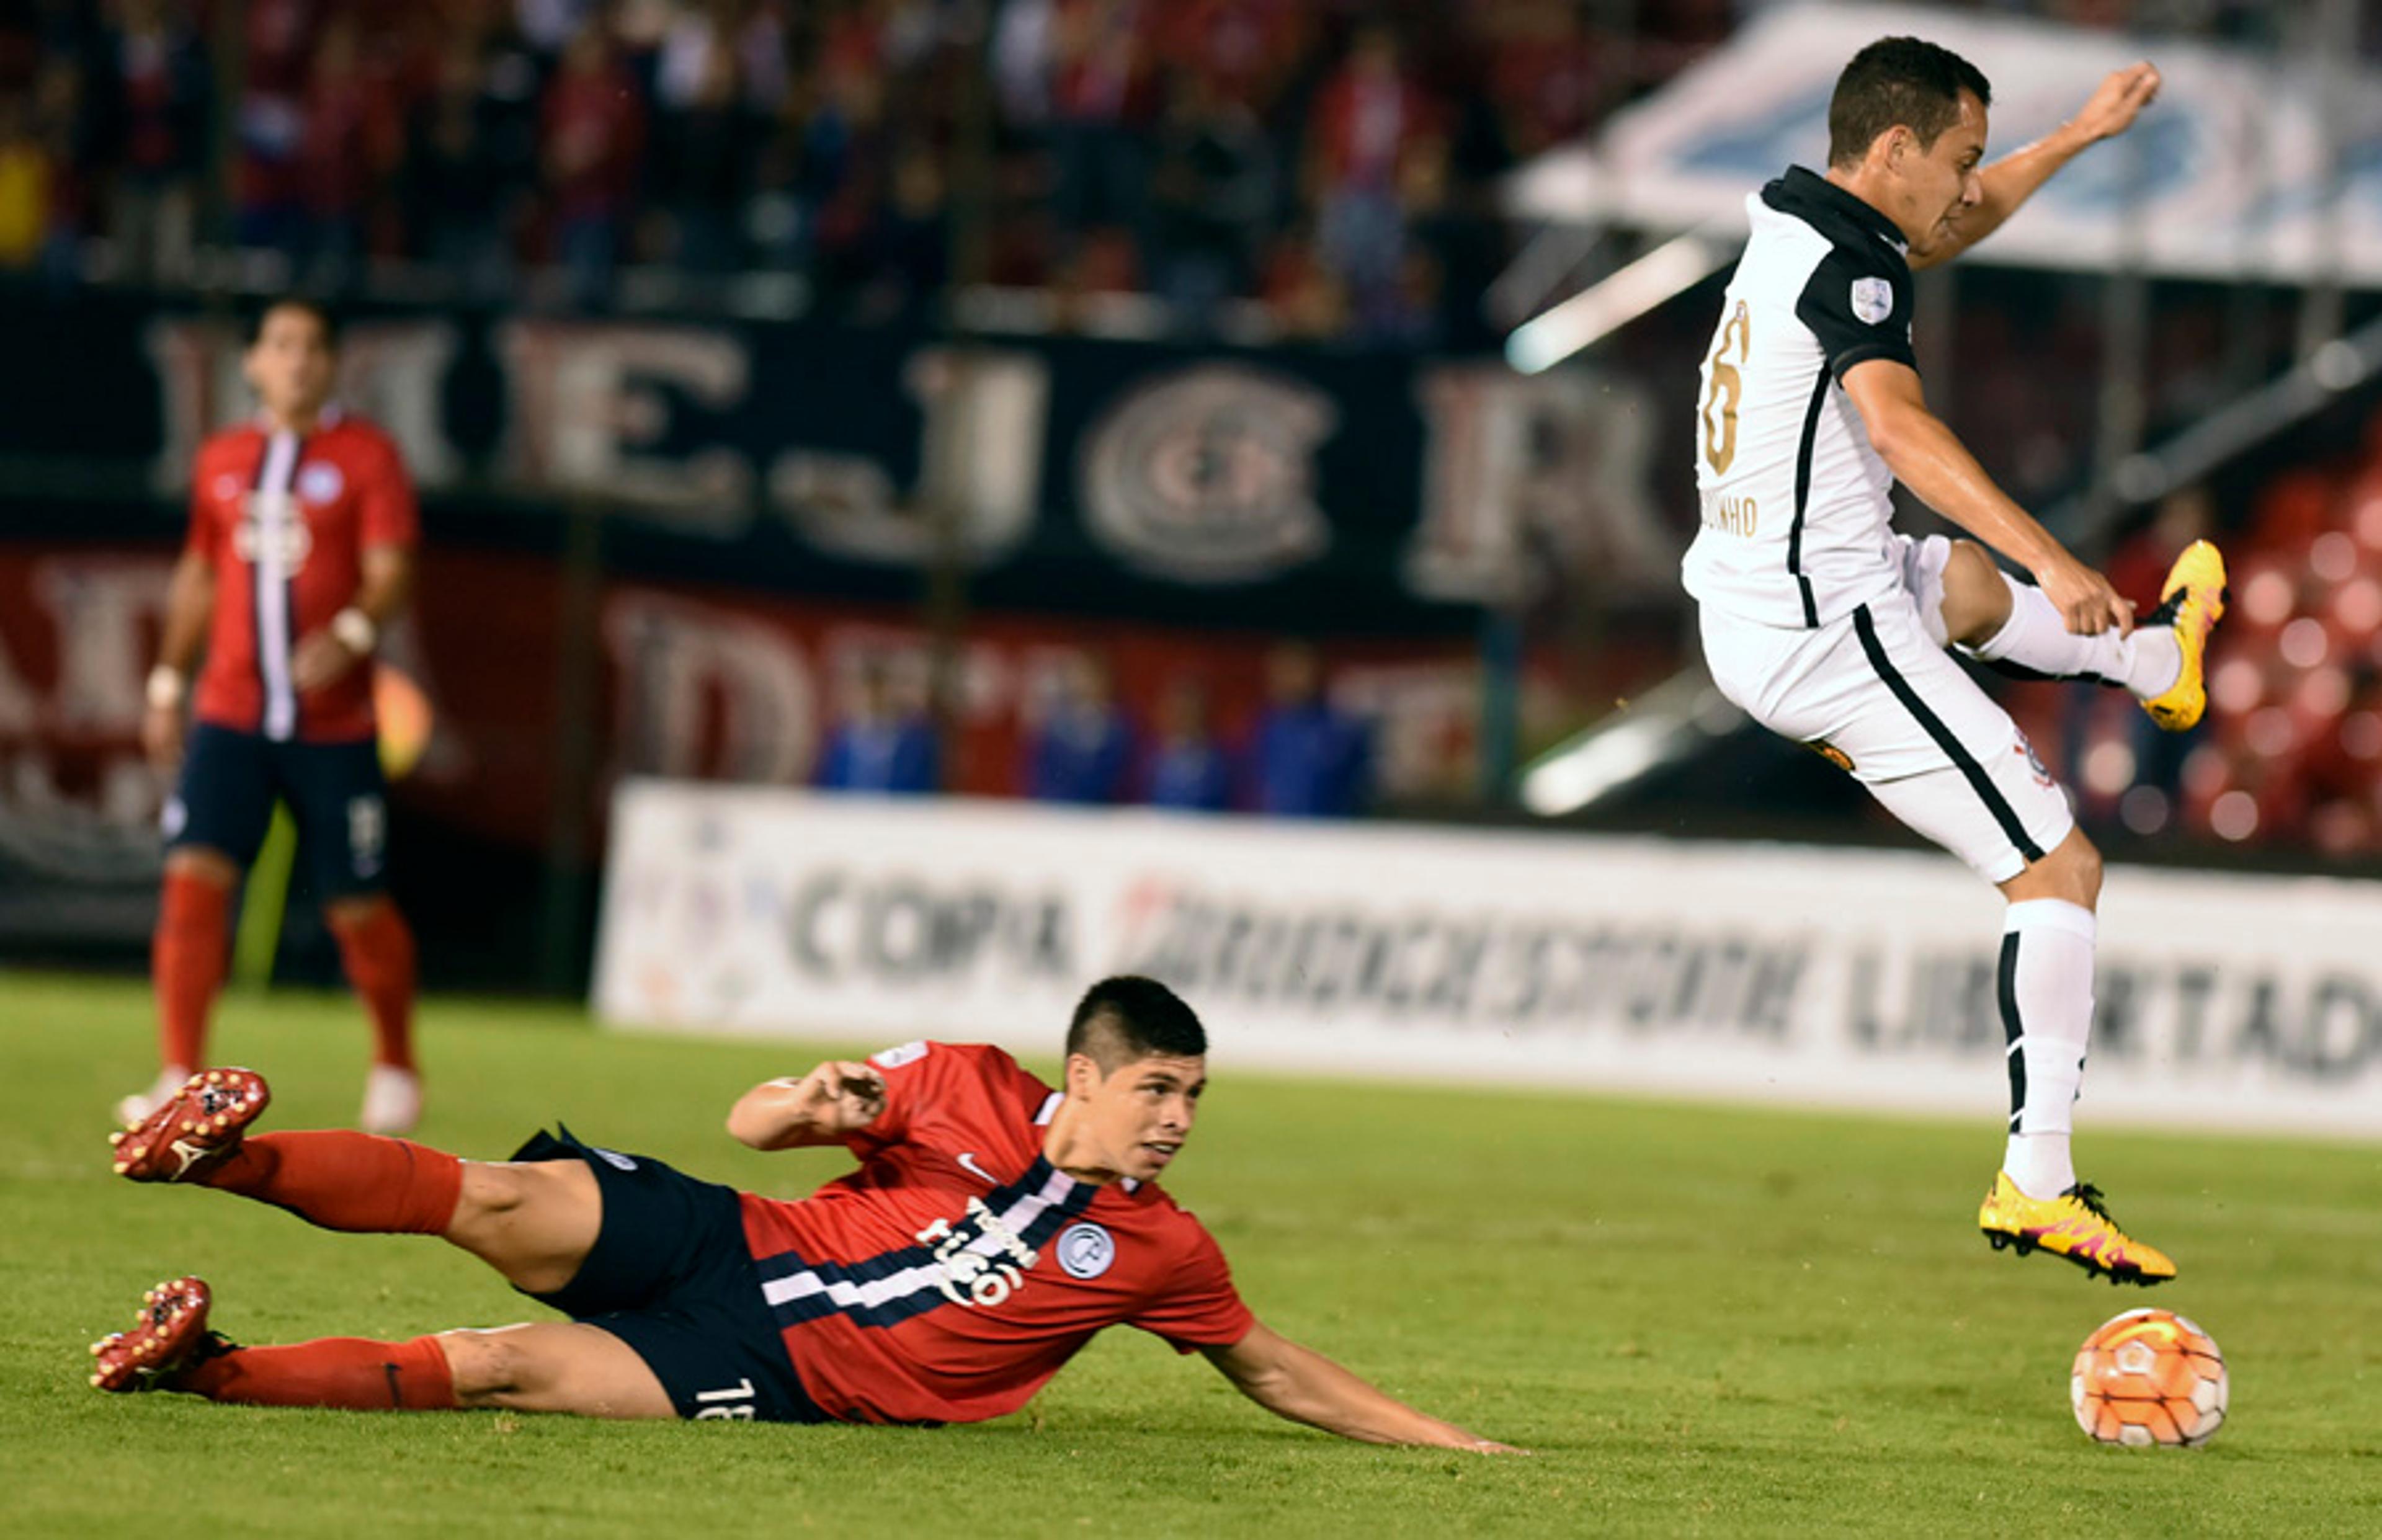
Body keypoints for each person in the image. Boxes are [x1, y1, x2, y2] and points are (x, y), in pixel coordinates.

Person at [88, 977, 1517, 1451]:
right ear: (1082, 1075)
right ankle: (210, 1160)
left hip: (772, 1369)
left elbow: (1269, 1367)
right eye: (1156, 1088)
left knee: (497, 1365)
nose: (1178, 1119)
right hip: (737, 1240)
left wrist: (1448, 1441)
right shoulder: (957, 1081)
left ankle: (202, 1370)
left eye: (1194, 1096)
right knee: (491, 1192)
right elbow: (751, 1123)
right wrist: (815, 1107)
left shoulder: (1159, 1248)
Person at [1680, 39, 2221, 1284]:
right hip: (1830, 635)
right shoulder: (1850, 269)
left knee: (1968, 591)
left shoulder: (1801, 221)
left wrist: (2078, 137)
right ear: (1893, 151)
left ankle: (2156, 666)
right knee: (2056, 866)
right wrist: (2061, 557)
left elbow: (1955, 223)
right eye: (1958, 161)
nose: (1967, 189)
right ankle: (2037, 1182)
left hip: (1770, 600)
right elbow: (1899, 426)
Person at [127, 298, 424, 1137]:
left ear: (332, 366)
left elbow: (390, 567)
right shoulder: (224, 457)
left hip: (334, 725)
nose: (296, 361)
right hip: (231, 714)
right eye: (280, 345)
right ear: (253, 362)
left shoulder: (366, 455)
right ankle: (179, 1074)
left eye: (312, 347)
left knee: (357, 907)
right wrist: (163, 682)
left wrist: (356, 631)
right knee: (192, 880)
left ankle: (396, 1062)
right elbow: (198, 573)